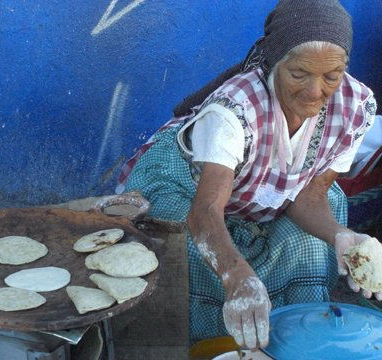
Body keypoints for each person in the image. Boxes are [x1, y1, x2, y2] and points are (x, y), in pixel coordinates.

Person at [116, 0, 378, 350]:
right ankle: (203, 345)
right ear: (276, 61)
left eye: (331, 76)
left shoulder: (356, 106)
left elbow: (311, 196)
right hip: (188, 186)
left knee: (313, 237)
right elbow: (205, 211)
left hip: (268, 192)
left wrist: (342, 236)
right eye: (299, 74)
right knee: (188, 250)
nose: (316, 92)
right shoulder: (234, 110)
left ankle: (289, 340)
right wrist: (236, 277)